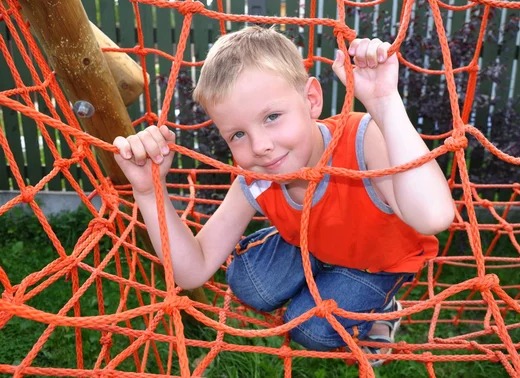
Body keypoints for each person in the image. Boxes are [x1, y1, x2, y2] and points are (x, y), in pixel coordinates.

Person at [113, 26, 455, 366]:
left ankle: (382, 310)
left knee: (312, 330)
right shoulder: (259, 175)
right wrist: (148, 191)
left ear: (311, 100)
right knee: (248, 284)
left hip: (375, 263)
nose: (260, 146)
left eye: (272, 117)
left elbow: (434, 217)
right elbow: (193, 270)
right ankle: (316, 270)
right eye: (238, 135)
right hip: (315, 245)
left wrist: (384, 104)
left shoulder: (362, 139)